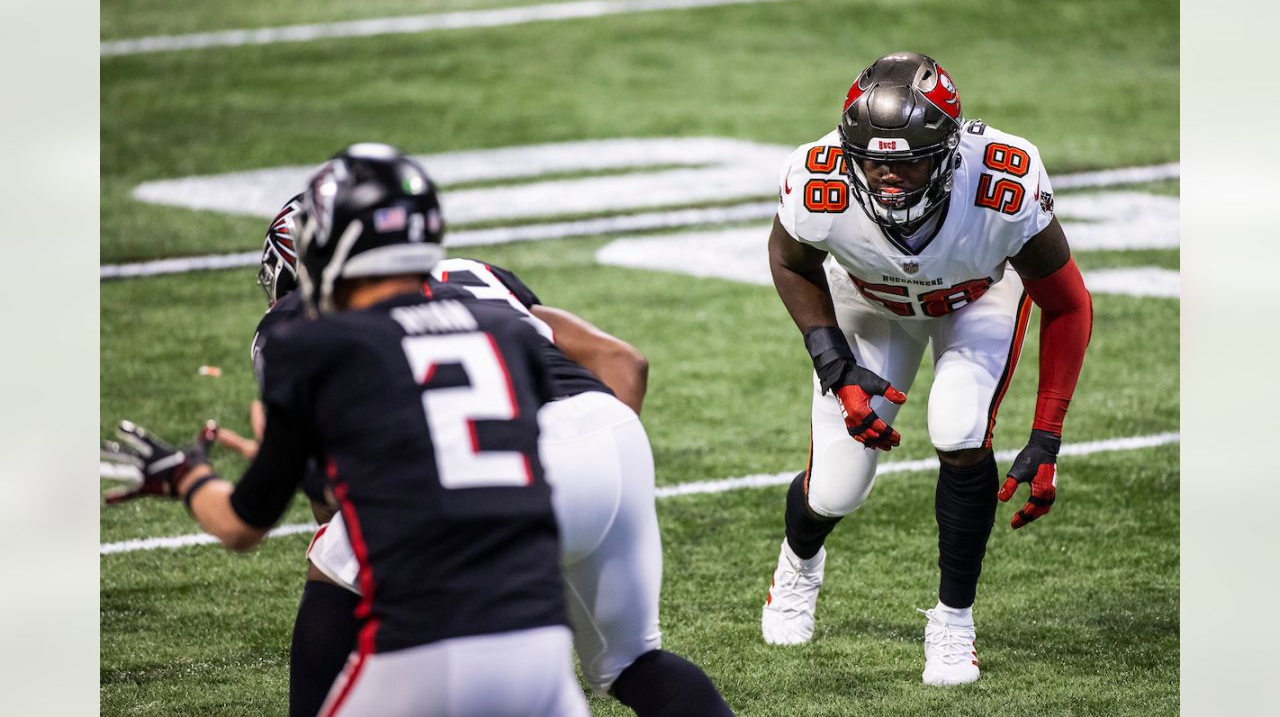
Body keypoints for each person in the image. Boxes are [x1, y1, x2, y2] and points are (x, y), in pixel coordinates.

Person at [101, 143, 589, 716]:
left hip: (426, 646)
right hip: (540, 641)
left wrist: (184, 474)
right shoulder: (503, 332)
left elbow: (241, 526)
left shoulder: (314, 344)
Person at [222, 187, 734, 714]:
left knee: (335, 562)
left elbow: (331, 498)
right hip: (612, 441)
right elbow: (626, 363)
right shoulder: (471, 273)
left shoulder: (300, 319)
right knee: (635, 663)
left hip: (494, 472)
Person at [759, 52, 1093, 686]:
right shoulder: (817, 175)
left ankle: (953, 622)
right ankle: (797, 569)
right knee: (837, 487)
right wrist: (835, 366)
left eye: (908, 160)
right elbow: (790, 262)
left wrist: (1047, 435)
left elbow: (1068, 302)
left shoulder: (1004, 176)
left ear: (947, 150)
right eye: (874, 161)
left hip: (975, 298)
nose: (888, 179)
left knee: (960, 425)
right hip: (868, 303)